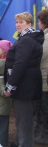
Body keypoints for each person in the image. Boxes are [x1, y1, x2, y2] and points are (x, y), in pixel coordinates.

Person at [4, 12, 43, 147]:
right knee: (22, 118)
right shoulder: (27, 38)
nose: (18, 25)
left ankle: (25, 144)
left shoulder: (27, 40)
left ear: (29, 23)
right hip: (27, 84)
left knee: (24, 120)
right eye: (17, 22)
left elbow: (20, 64)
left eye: (21, 22)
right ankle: (21, 142)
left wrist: (10, 86)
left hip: (25, 85)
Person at [34, 10, 48, 145]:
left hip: (45, 77)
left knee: (44, 108)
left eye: (39, 21)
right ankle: (38, 131)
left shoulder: (47, 38)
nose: (38, 24)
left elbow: (41, 55)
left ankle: (44, 134)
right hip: (42, 76)